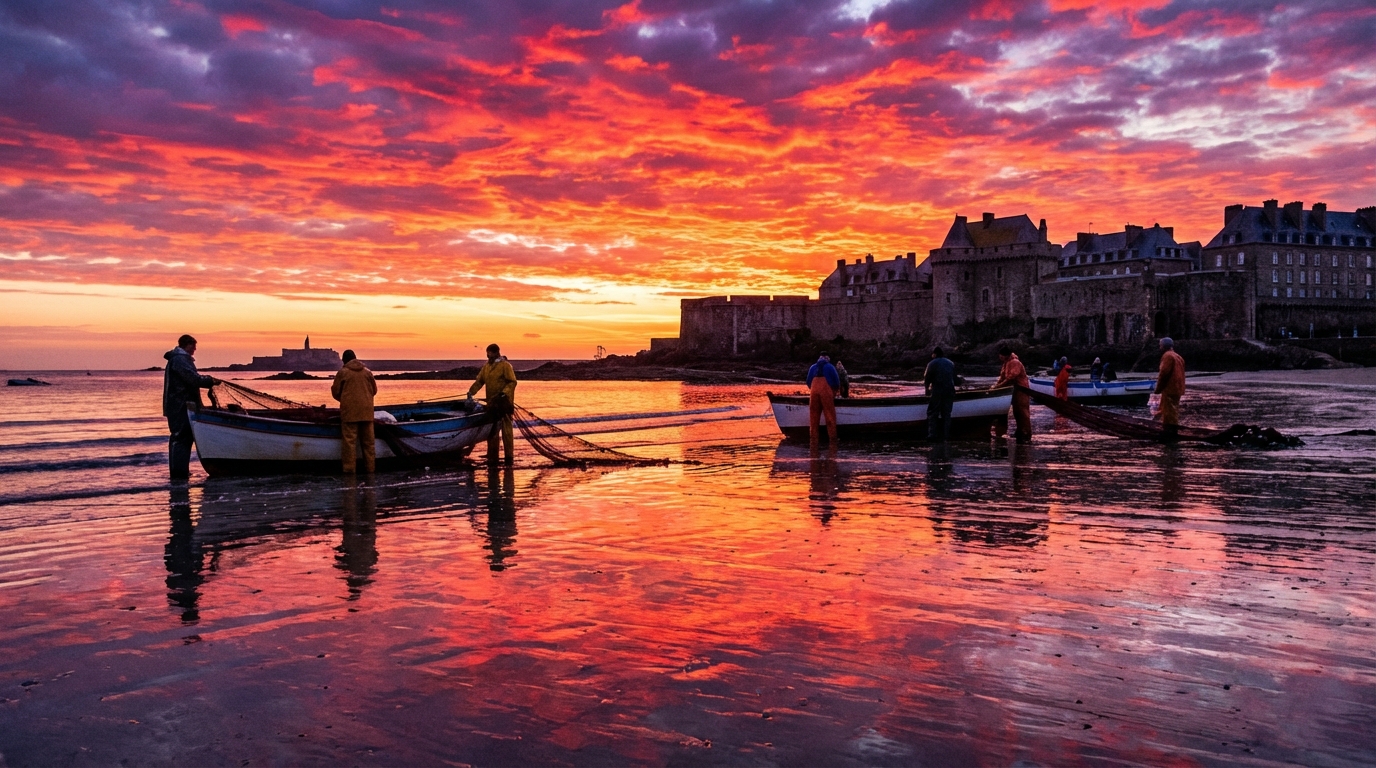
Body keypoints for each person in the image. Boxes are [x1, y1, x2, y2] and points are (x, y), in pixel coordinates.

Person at [162, 334, 215, 480]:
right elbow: (193, 379)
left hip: (178, 406)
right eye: (193, 346)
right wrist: (210, 381)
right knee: (181, 438)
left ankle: (179, 473)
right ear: (186, 345)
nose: (195, 349)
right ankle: (179, 474)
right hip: (180, 406)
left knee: (180, 438)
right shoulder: (180, 359)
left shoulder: (178, 359)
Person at [467, 343, 518, 465]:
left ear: (496, 352)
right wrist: (471, 392)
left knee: (506, 430)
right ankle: (492, 455)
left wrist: (504, 393)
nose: (488, 355)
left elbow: (512, 382)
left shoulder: (505, 366)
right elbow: (479, 381)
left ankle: (509, 456)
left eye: (490, 353)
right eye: (487, 353)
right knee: (492, 430)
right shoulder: (486, 367)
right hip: (492, 404)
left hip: (504, 403)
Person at [331, 350, 377, 473]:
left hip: (349, 413)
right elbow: (374, 390)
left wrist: (345, 400)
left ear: (344, 360)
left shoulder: (342, 373)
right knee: (369, 444)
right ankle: (370, 470)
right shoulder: (367, 372)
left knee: (349, 444)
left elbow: (335, 392)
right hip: (367, 413)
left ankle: (349, 472)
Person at [993, 345, 1031, 443]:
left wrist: (998, 386)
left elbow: (1011, 377)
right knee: (1016, 412)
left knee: (1022, 412)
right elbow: (1002, 377)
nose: (1000, 358)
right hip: (1013, 390)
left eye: (1001, 356)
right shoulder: (1006, 363)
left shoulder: (1015, 362)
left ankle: (1026, 433)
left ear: (1005, 355)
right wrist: (995, 387)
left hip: (1022, 390)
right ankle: (1019, 432)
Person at [805, 353, 840, 447]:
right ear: (827, 358)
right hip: (826, 393)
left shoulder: (812, 367)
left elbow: (808, 382)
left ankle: (813, 441)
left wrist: (814, 389)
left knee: (813, 418)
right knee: (830, 417)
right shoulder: (830, 367)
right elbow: (836, 382)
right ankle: (833, 441)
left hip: (814, 393)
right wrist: (834, 391)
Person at [1155, 337, 1186, 440]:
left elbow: (1163, 374)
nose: (1159, 347)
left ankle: (1170, 432)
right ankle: (1172, 430)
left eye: (1160, 345)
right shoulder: (1178, 356)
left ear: (1163, 346)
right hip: (1178, 388)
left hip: (1170, 388)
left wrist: (1158, 389)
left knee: (1168, 412)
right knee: (1173, 411)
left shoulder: (1167, 356)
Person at [923, 346, 956, 441]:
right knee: (946, 413)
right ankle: (946, 435)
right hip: (949, 391)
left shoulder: (931, 363)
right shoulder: (950, 363)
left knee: (933, 412)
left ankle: (932, 435)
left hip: (937, 391)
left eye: (932, 354)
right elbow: (955, 379)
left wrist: (927, 390)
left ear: (935, 354)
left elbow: (927, 378)